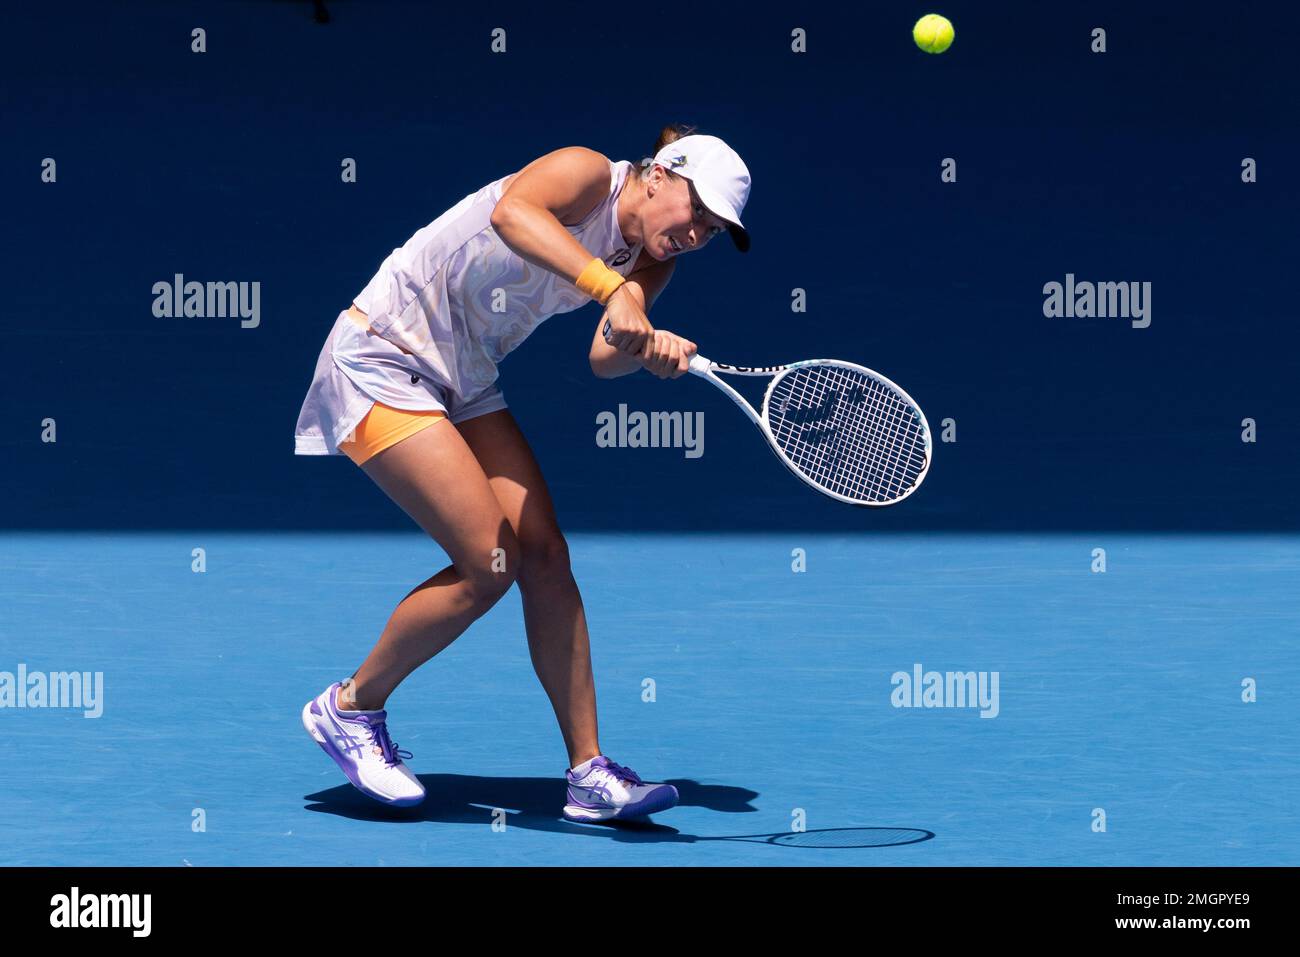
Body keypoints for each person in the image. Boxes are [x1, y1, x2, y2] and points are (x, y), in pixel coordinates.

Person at [294, 124, 752, 821]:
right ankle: (350, 707)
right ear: (660, 174)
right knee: (489, 561)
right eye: (698, 211)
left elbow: (605, 356)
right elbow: (514, 212)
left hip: (464, 378)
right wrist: (611, 290)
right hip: (381, 354)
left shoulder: (655, 263)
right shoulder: (587, 173)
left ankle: (589, 774)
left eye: (714, 231)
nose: (697, 234)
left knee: (543, 552)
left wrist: (649, 350)